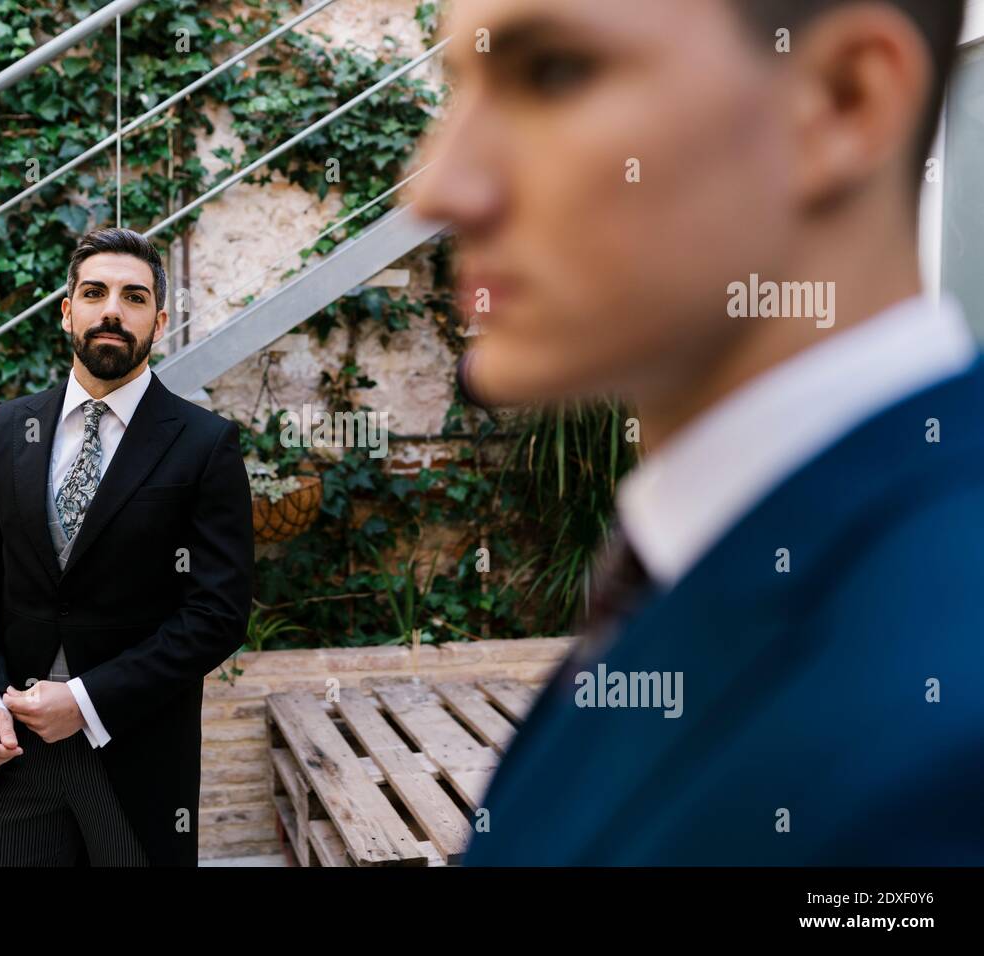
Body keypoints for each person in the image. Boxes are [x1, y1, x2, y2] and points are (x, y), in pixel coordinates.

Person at [410, 0, 984, 863]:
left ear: (844, 99)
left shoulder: (944, 731)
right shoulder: (704, 554)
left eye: (553, 73)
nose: (437, 187)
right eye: (457, 86)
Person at [0, 227, 254, 866]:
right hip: (16, 757)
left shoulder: (204, 444)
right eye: (95, 292)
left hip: (135, 761)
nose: (112, 309)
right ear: (68, 311)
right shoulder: (8, 427)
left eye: (133, 297)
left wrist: (85, 702)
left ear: (158, 320)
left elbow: (217, 614)